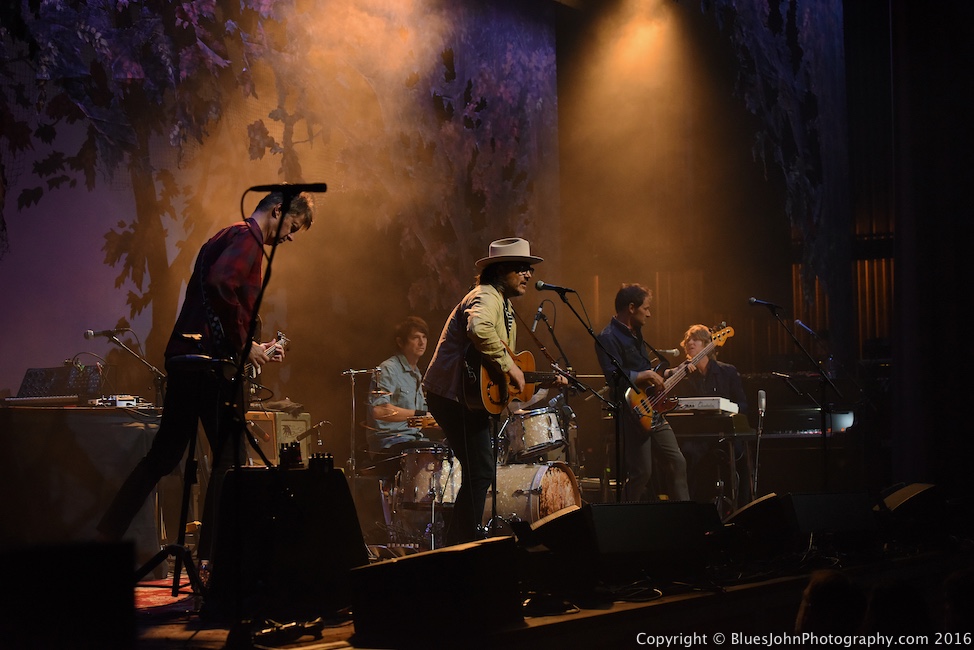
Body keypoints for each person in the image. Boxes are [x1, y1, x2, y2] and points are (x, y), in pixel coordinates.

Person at [96, 191, 315, 563]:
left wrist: (254, 346)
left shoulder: (225, 235)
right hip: (209, 368)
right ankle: (214, 562)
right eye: (292, 226)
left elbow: (214, 303)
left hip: (188, 359)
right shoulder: (248, 239)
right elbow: (220, 286)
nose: (290, 237)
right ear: (277, 211)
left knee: (163, 456)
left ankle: (106, 536)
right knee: (230, 459)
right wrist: (245, 346)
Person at [423, 237, 566, 545]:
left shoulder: (505, 307)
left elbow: (501, 373)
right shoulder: (486, 296)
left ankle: (457, 543)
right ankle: (458, 546)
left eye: (529, 269)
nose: (528, 275)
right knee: (481, 470)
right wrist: (510, 367)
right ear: (501, 270)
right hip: (451, 394)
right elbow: (478, 329)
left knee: (480, 470)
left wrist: (540, 381)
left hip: (466, 397)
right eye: (522, 268)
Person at [595, 283, 689, 502]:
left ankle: (686, 513)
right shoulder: (607, 337)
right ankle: (623, 516)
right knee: (642, 473)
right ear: (631, 307)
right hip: (632, 414)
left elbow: (648, 371)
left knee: (677, 460)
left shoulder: (636, 332)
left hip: (653, 408)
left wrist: (666, 374)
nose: (649, 313)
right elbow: (613, 376)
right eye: (646, 308)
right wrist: (644, 375)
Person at [669, 323, 749, 504]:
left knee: (737, 456)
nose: (690, 342)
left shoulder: (727, 371)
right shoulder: (682, 373)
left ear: (707, 344)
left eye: (696, 339)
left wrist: (729, 409)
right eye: (688, 339)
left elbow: (743, 404)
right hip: (695, 435)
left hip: (723, 434)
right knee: (685, 456)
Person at [366, 316, 439, 455]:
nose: (421, 342)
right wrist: (420, 414)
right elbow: (379, 411)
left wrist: (445, 424)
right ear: (400, 342)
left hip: (411, 440)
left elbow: (417, 421)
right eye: (415, 337)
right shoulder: (389, 369)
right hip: (389, 443)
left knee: (448, 450)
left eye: (424, 337)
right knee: (437, 454)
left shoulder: (416, 373)